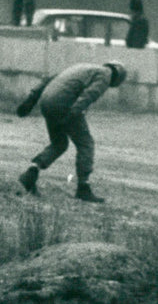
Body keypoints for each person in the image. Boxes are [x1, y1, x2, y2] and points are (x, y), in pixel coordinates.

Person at [16, 61, 128, 203]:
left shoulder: (81, 67)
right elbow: (89, 95)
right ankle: (83, 187)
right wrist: (72, 114)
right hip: (64, 104)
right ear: (118, 77)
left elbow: (50, 79)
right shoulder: (106, 75)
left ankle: (31, 172)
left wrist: (31, 99)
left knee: (59, 143)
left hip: (47, 101)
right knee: (86, 144)